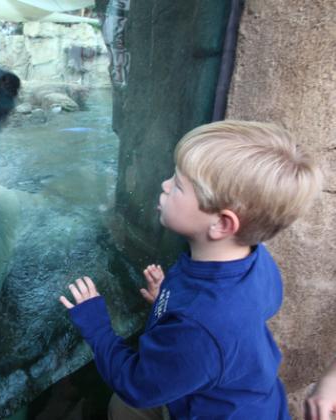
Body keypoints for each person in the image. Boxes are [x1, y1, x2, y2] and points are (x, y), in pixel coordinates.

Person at [59, 121, 322, 419]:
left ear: (222, 224)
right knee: (120, 408)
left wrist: (96, 326)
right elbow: (247, 313)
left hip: (210, 411)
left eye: (179, 185)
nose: (165, 185)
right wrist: (166, 302)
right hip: (244, 395)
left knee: (125, 402)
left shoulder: (200, 328)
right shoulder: (256, 260)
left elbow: (138, 386)